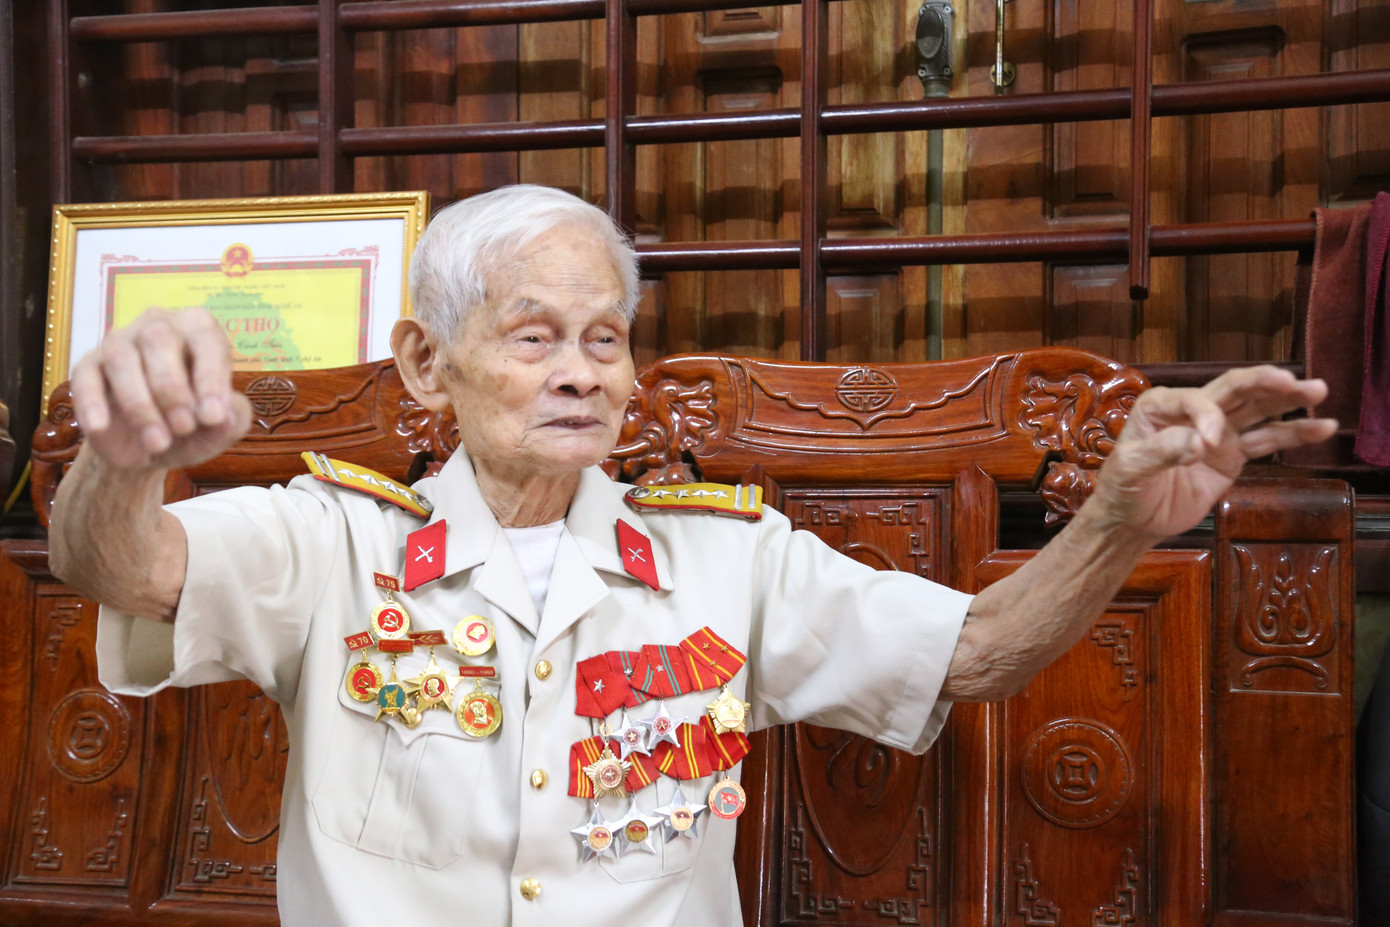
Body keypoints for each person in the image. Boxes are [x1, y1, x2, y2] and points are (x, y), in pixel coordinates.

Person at [48, 184, 1337, 926]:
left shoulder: (730, 562)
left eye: (605, 341)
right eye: (535, 335)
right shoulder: (330, 542)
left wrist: (1115, 515)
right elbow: (123, 570)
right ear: (427, 365)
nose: (580, 373)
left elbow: (980, 654)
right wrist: (119, 455)